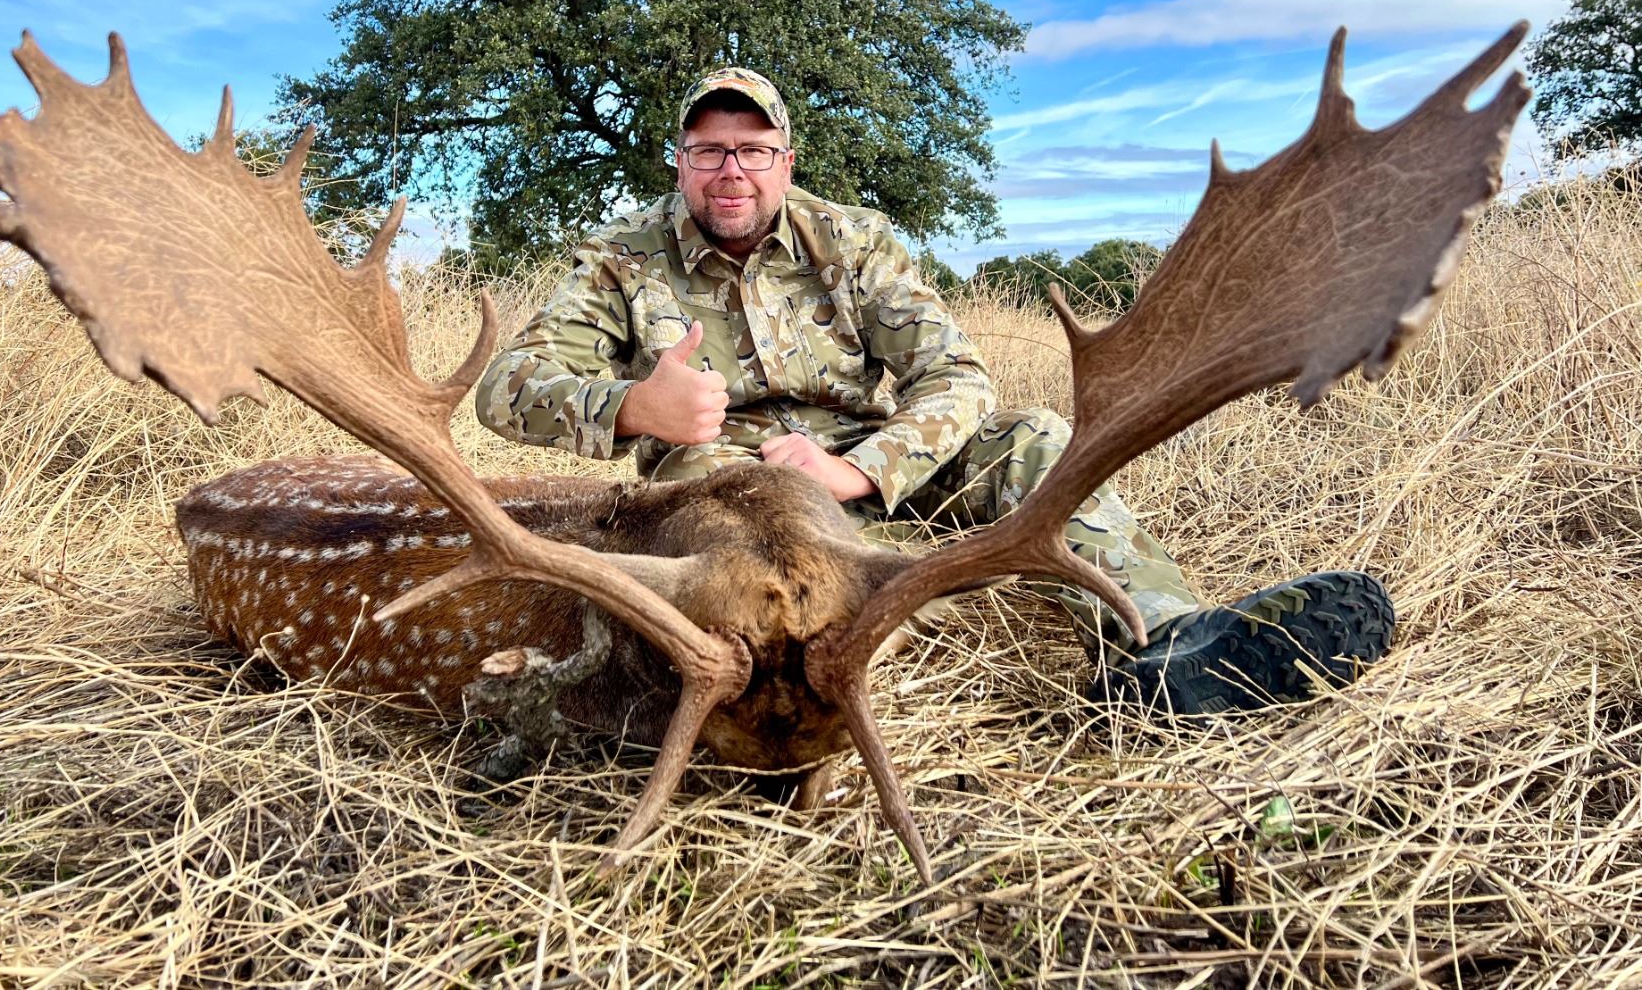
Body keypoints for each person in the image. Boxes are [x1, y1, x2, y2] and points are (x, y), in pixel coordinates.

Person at [475, 68, 1394, 713]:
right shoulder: (618, 258)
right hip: (723, 486)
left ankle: (1166, 650)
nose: (731, 171)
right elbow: (505, 387)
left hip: (862, 467)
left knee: (1030, 436)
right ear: (678, 162)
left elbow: (956, 375)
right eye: (708, 151)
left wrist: (862, 471)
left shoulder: (855, 242)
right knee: (716, 521)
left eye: (753, 150)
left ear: (786, 162)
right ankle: (785, 684)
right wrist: (632, 409)